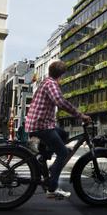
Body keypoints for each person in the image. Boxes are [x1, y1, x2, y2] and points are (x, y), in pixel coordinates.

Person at [25, 61, 91, 199]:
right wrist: (81, 115)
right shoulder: (51, 84)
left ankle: (44, 157)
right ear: (61, 75)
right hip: (41, 125)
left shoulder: (45, 81)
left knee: (63, 134)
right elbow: (60, 102)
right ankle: (52, 188)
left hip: (41, 123)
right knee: (63, 153)